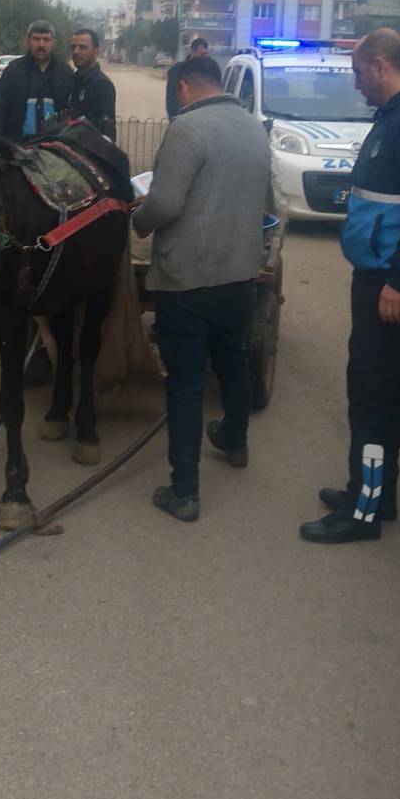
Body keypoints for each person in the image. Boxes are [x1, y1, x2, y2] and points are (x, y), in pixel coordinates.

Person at [299, 28, 400, 544]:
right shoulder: (394, 116)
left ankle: (361, 514)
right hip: (378, 278)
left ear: (381, 66)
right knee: (376, 390)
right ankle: (374, 493)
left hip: (394, 287)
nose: (357, 85)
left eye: (358, 73)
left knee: (373, 394)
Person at [133, 57, 271, 521]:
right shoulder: (254, 129)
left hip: (188, 279)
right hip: (240, 274)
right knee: (233, 359)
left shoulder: (186, 130)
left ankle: (184, 491)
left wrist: (139, 217)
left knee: (187, 381)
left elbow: (167, 202)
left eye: (177, 92)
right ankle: (235, 441)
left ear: (187, 86)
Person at [0, 20, 72, 142]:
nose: (41, 44)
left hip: (54, 150)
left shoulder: (65, 73)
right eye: (36, 39)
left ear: (54, 43)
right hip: (16, 147)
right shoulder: (13, 71)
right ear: (27, 41)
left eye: (46, 40)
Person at [66, 27, 117, 140]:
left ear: (96, 52)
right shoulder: (73, 80)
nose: (76, 52)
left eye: (82, 47)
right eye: (73, 47)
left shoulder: (101, 85)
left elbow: (106, 132)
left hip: (89, 153)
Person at [165, 36, 210, 120]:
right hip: (182, 119)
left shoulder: (208, 72)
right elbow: (172, 99)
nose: (204, 58)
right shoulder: (177, 70)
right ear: (192, 51)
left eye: (206, 54)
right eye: (202, 54)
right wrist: (175, 121)